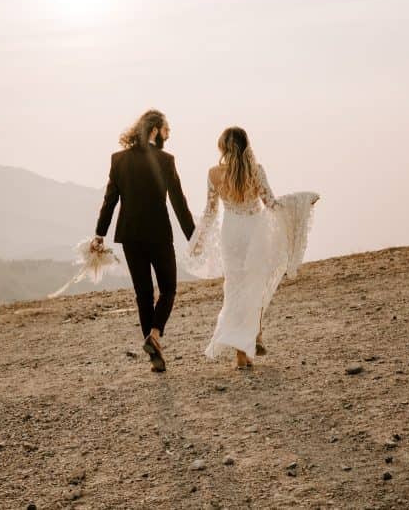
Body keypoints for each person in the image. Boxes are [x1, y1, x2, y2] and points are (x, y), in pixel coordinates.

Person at [186, 127, 319, 369]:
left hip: (231, 233)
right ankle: (251, 337)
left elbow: (210, 211)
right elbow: (272, 204)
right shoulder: (256, 171)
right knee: (254, 288)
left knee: (235, 289)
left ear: (222, 147)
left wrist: (199, 240)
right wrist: (302, 201)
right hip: (255, 232)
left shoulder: (214, 174)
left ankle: (242, 351)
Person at [93, 109, 195, 372]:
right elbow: (178, 201)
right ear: (154, 130)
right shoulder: (165, 160)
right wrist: (193, 236)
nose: (167, 134)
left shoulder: (119, 160)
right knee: (169, 288)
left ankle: (155, 357)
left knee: (143, 294)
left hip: (130, 236)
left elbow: (110, 201)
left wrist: (99, 234)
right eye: (165, 129)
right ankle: (156, 334)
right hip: (159, 234)